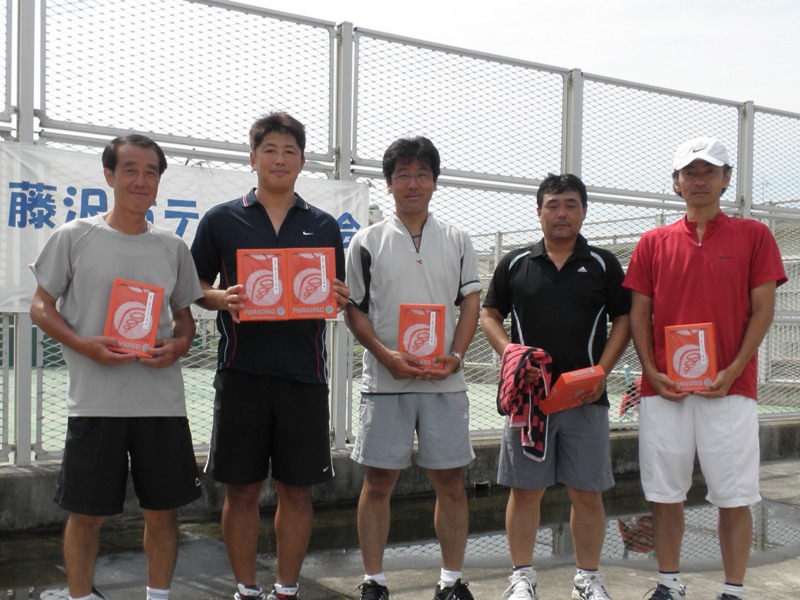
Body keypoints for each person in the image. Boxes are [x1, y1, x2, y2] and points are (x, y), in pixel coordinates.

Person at [29, 135, 203, 600]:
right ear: (109, 175)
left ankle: (158, 596)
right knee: (85, 515)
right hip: (95, 403)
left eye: (151, 172)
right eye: (130, 170)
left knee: (163, 514)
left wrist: (179, 345)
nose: (140, 180)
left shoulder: (172, 246)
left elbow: (185, 318)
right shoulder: (75, 235)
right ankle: (80, 596)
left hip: (161, 404)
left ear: (159, 181)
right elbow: (41, 306)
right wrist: (84, 346)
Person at [190, 112, 349, 600]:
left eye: (289, 151)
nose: (280, 159)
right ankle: (245, 589)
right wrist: (220, 298)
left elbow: (334, 291)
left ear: (302, 161)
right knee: (240, 489)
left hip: (304, 375)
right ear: (253, 157)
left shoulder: (322, 224)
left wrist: (337, 296)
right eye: (270, 150)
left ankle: (286, 589)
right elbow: (194, 285)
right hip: (241, 373)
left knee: (296, 489)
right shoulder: (222, 219)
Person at [624, 137, 787, 600]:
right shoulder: (652, 242)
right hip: (664, 390)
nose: (700, 180)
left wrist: (734, 369)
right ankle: (669, 585)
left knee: (735, 497)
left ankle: (732, 591)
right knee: (665, 494)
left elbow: (763, 310)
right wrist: (651, 371)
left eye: (709, 171)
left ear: (726, 178)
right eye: (690, 172)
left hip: (730, 388)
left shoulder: (754, 235)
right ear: (676, 183)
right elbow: (639, 313)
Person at [480, 173, 631, 600]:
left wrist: (601, 372)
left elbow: (623, 319)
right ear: (539, 211)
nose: (561, 213)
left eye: (570, 204)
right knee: (525, 492)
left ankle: (587, 580)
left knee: (587, 493)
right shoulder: (515, 263)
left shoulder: (603, 263)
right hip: (529, 401)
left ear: (584, 211)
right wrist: (513, 357)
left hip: (586, 399)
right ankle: (521, 578)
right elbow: (489, 315)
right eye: (553, 205)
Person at [345, 137, 482, 600]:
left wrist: (456, 357)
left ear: (435, 182)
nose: (412, 183)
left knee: (451, 482)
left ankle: (451, 581)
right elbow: (354, 309)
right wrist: (385, 356)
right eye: (402, 174)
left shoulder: (458, 239)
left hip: (445, 381)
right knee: (378, 481)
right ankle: (374, 581)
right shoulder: (366, 240)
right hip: (386, 381)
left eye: (422, 174)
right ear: (388, 183)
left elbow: (470, 302)